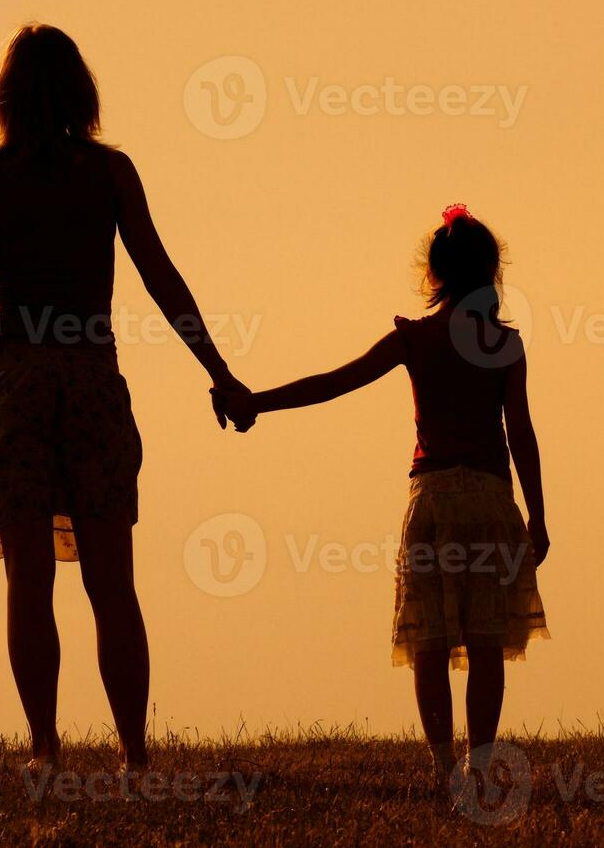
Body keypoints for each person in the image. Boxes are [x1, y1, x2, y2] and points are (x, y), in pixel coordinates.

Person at [0, 24, 250, 773]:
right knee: (113, 584)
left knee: (29, 581)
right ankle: (134, 752)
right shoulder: (108, 172)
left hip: (14, 383)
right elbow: (162, 278)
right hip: (92, 382)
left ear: (7, 95)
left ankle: (46, 748)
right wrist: (219, 369)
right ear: (81, 91)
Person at [219, 204, 551, 794]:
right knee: (485, 640)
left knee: (429, 638)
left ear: (435, 273)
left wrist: (258, 403)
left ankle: (442, 763)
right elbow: (520, 432)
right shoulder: (506, 346)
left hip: (432, 500)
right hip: (492, 501)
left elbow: (333, 382)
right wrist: (539, 515)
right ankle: (478, 764)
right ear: (491, 274)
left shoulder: (416, 339)